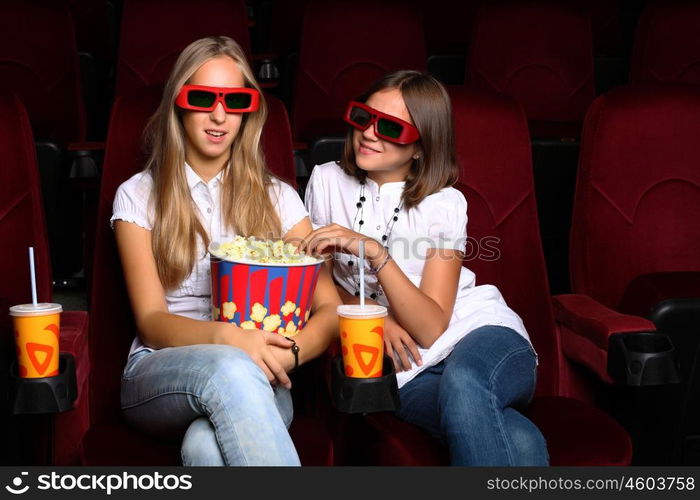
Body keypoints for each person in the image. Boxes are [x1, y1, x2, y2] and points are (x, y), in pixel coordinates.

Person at [111, 36, 340, 466]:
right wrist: (233, 341)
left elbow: (328, 310)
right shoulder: (138, 195)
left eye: (234, 100)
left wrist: (288, 352)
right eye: (203, 98)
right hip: (159, 371)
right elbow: (151, 320)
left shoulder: (280, 198)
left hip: (263, 372)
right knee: (231, 367)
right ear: (179, 103)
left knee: (204, 447)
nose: (219, 116)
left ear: (248, 109)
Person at [301, 70, 549, 466]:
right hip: (407, 370)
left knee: (465, 384)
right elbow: (319, 281)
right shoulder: (326, 182)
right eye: (364, 117)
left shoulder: (445, 204)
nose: (369, 133)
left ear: (420, 146)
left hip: (479, 336)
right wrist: (374, 321)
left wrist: (373, 253)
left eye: (391, 128)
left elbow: (431, 326)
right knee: (516, 439)